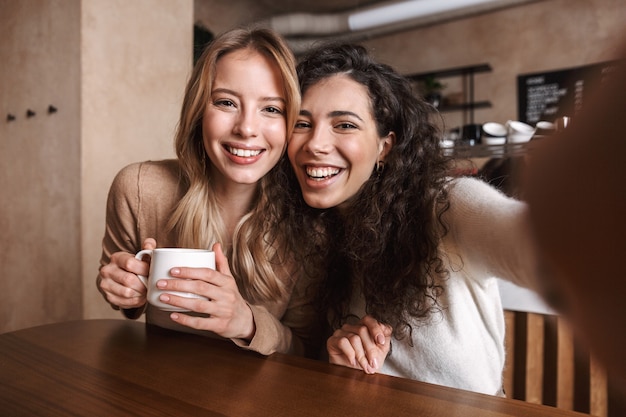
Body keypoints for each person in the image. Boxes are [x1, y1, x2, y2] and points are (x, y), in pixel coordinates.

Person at [285, 42, 540, 396]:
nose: (315, 143)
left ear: (384, 147)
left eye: (344, 124)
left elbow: (537, 248)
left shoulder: (447, 205)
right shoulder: (318, 233)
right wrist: (341, 361)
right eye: (302, 123)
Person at [96, 27, 321, 357]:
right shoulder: (139, 187)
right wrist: (124, 290)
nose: (246, 128)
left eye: (271, 108)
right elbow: (122, 291)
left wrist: (247, 323)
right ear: (199, 111)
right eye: (226, 102)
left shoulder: (311, 222)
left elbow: (308, 352)